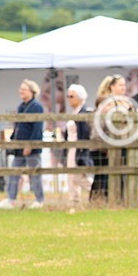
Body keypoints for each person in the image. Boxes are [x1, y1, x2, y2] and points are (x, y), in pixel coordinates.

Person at [0, 80, 45, 209]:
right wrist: (12, 139)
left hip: (31, 148)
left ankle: (39, 200)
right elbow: (18, 126)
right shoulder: (21, 106)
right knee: (14, 172)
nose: (21, 91)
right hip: (18, 146)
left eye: (24, 89)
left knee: (34, 174)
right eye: (21, 89)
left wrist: (30, 145)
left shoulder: (36, 107)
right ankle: (10, 199)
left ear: (32, 91)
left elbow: (37, 128)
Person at [90, 74, 128, 202]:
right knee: (103, 175)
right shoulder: (108, 102)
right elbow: (102, 126)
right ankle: (101, 200)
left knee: (117, 174)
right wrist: (106, 147)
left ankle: (116, 199)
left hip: (121, 143)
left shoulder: (124, 101)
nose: (124, 88)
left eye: (124, 85)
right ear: (112, 87)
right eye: (120, 85)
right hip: (105, 145)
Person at [57, 84, 94, 212]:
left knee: (78, 176)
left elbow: (85, 133)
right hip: (70, 148)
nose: (69, 99)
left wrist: (83, 149)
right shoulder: (73, 113)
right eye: (68, 96)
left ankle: (94, 190)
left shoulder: (84, 112)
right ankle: (74, 201)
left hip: (79, 148)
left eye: (71, 96)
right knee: (71, 176)